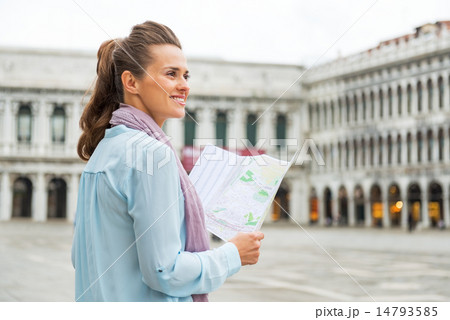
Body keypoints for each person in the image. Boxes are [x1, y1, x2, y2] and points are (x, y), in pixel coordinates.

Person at [71, 21, 264, 302]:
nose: (184, 85)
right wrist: (233, 253)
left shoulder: (103, 151)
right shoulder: (153, 154)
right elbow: (165, 270)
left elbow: (81, 258)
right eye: (171, 74)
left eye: (186, 75)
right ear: (131, 82)